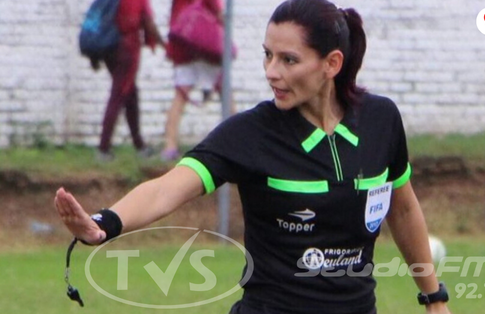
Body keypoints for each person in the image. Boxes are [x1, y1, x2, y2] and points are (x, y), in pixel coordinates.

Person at [55, 0, 452, 313]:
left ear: (332, 63)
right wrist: (104, 223)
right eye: (268, 55)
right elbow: (167, 189)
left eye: (288, 60)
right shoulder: (251, 133)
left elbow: (402, 210)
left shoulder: (381, 121)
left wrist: (434, 298)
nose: (271, 72)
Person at [161, 0, 233, 162]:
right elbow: (218, 12)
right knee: (226, 96)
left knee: (179, 98)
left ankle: (169, 147)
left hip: (185, 48)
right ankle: (238, 144)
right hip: (206, 49)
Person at [94, 0, 165, 162]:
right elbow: (148, 22)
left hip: (109, 48)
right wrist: (163, 44)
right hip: (127, 50)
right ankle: (103, 149)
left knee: (131, 95)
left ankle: (139, 146)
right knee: (118, 95)